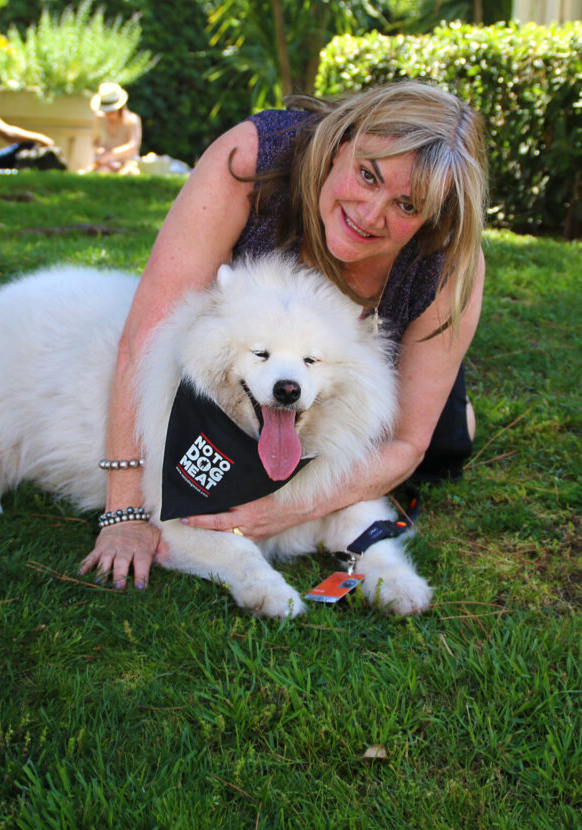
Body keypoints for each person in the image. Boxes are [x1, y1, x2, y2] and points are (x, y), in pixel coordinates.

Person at [79, 81, 488, 591]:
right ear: (342, 143)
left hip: (363, 374)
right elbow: (145, 335)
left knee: (447, 439)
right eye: (367, 175)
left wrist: (280, 511)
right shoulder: (253, 156)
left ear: (433, 217)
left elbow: (406, 442)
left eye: (407, 206)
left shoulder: (448, 265)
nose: (370, 214)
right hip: (262, 369)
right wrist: (124, 510)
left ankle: (458, 405)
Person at [89, 82, 143, 174]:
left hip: (127, 165)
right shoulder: (99, 119)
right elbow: (94, 143)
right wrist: (101, 154)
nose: (108, 114)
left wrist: (109, 155)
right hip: (105, 165)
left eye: (111, 111)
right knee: (101, 173)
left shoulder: (132, 120)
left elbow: (133, 146)